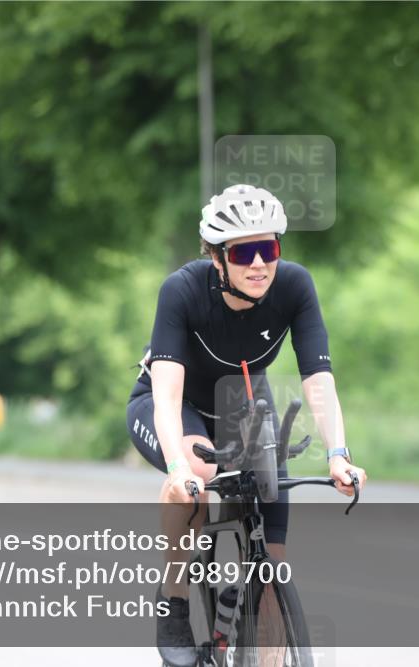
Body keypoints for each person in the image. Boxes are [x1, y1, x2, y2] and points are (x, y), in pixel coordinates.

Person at [126, 184, 367, 667]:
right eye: (243, 252)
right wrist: (179, 469)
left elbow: (318, 380)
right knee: (197, 476)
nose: (259, 264)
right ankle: (174, 595)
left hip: (242, 405)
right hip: (175, 407)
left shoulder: (295, 287)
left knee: (271, 557)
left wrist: (338, 455)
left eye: (269, 248)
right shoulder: (183, 290)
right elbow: (168, 397)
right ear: (217, 257)